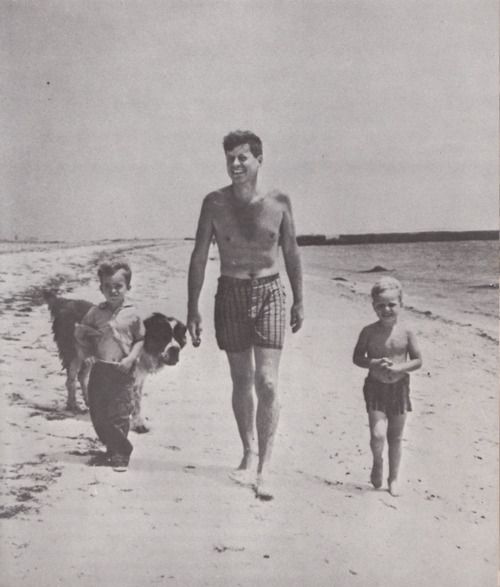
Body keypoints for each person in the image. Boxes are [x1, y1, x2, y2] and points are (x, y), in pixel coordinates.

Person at [187, 130, 304, 499]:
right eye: (230, 158)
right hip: (231, 293)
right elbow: (199, 255)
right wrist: (192, 307)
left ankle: (265, 467)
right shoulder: (214, 203)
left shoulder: (280, 201)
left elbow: (291, 251)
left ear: (258, 160)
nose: (235, 164)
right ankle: (248, 452)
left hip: (270, 291)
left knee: (267, 382)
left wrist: (299, 299)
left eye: (243, 158)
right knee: (241, 381)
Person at [353, 276, 422, 496]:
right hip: (375, 387)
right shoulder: (368, 332)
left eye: (392, 304)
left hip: (399, 388)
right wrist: (373, 362)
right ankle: (377, 461)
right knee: (377, 434)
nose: (387, 309)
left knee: (395, 436)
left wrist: (400, 368)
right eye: (381, 305)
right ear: (374, 307)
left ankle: (393, 479)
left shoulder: (407, 332)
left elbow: (418, 360)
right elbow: (357, 358)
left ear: (401, 304)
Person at [75, 261, 144, 472]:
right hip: (100, 369)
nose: (113, 290)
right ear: (101, 289)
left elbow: (140, 339)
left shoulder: (132, 314)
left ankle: (121, 453)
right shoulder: (96, 312)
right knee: (97, 412)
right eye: (108, 286)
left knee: (119, 413)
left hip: (122, 370)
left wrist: (131, 358)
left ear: (128, 288)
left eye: (118, 286)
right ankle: (113, 448)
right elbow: (82, 336)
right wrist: (86, 355)